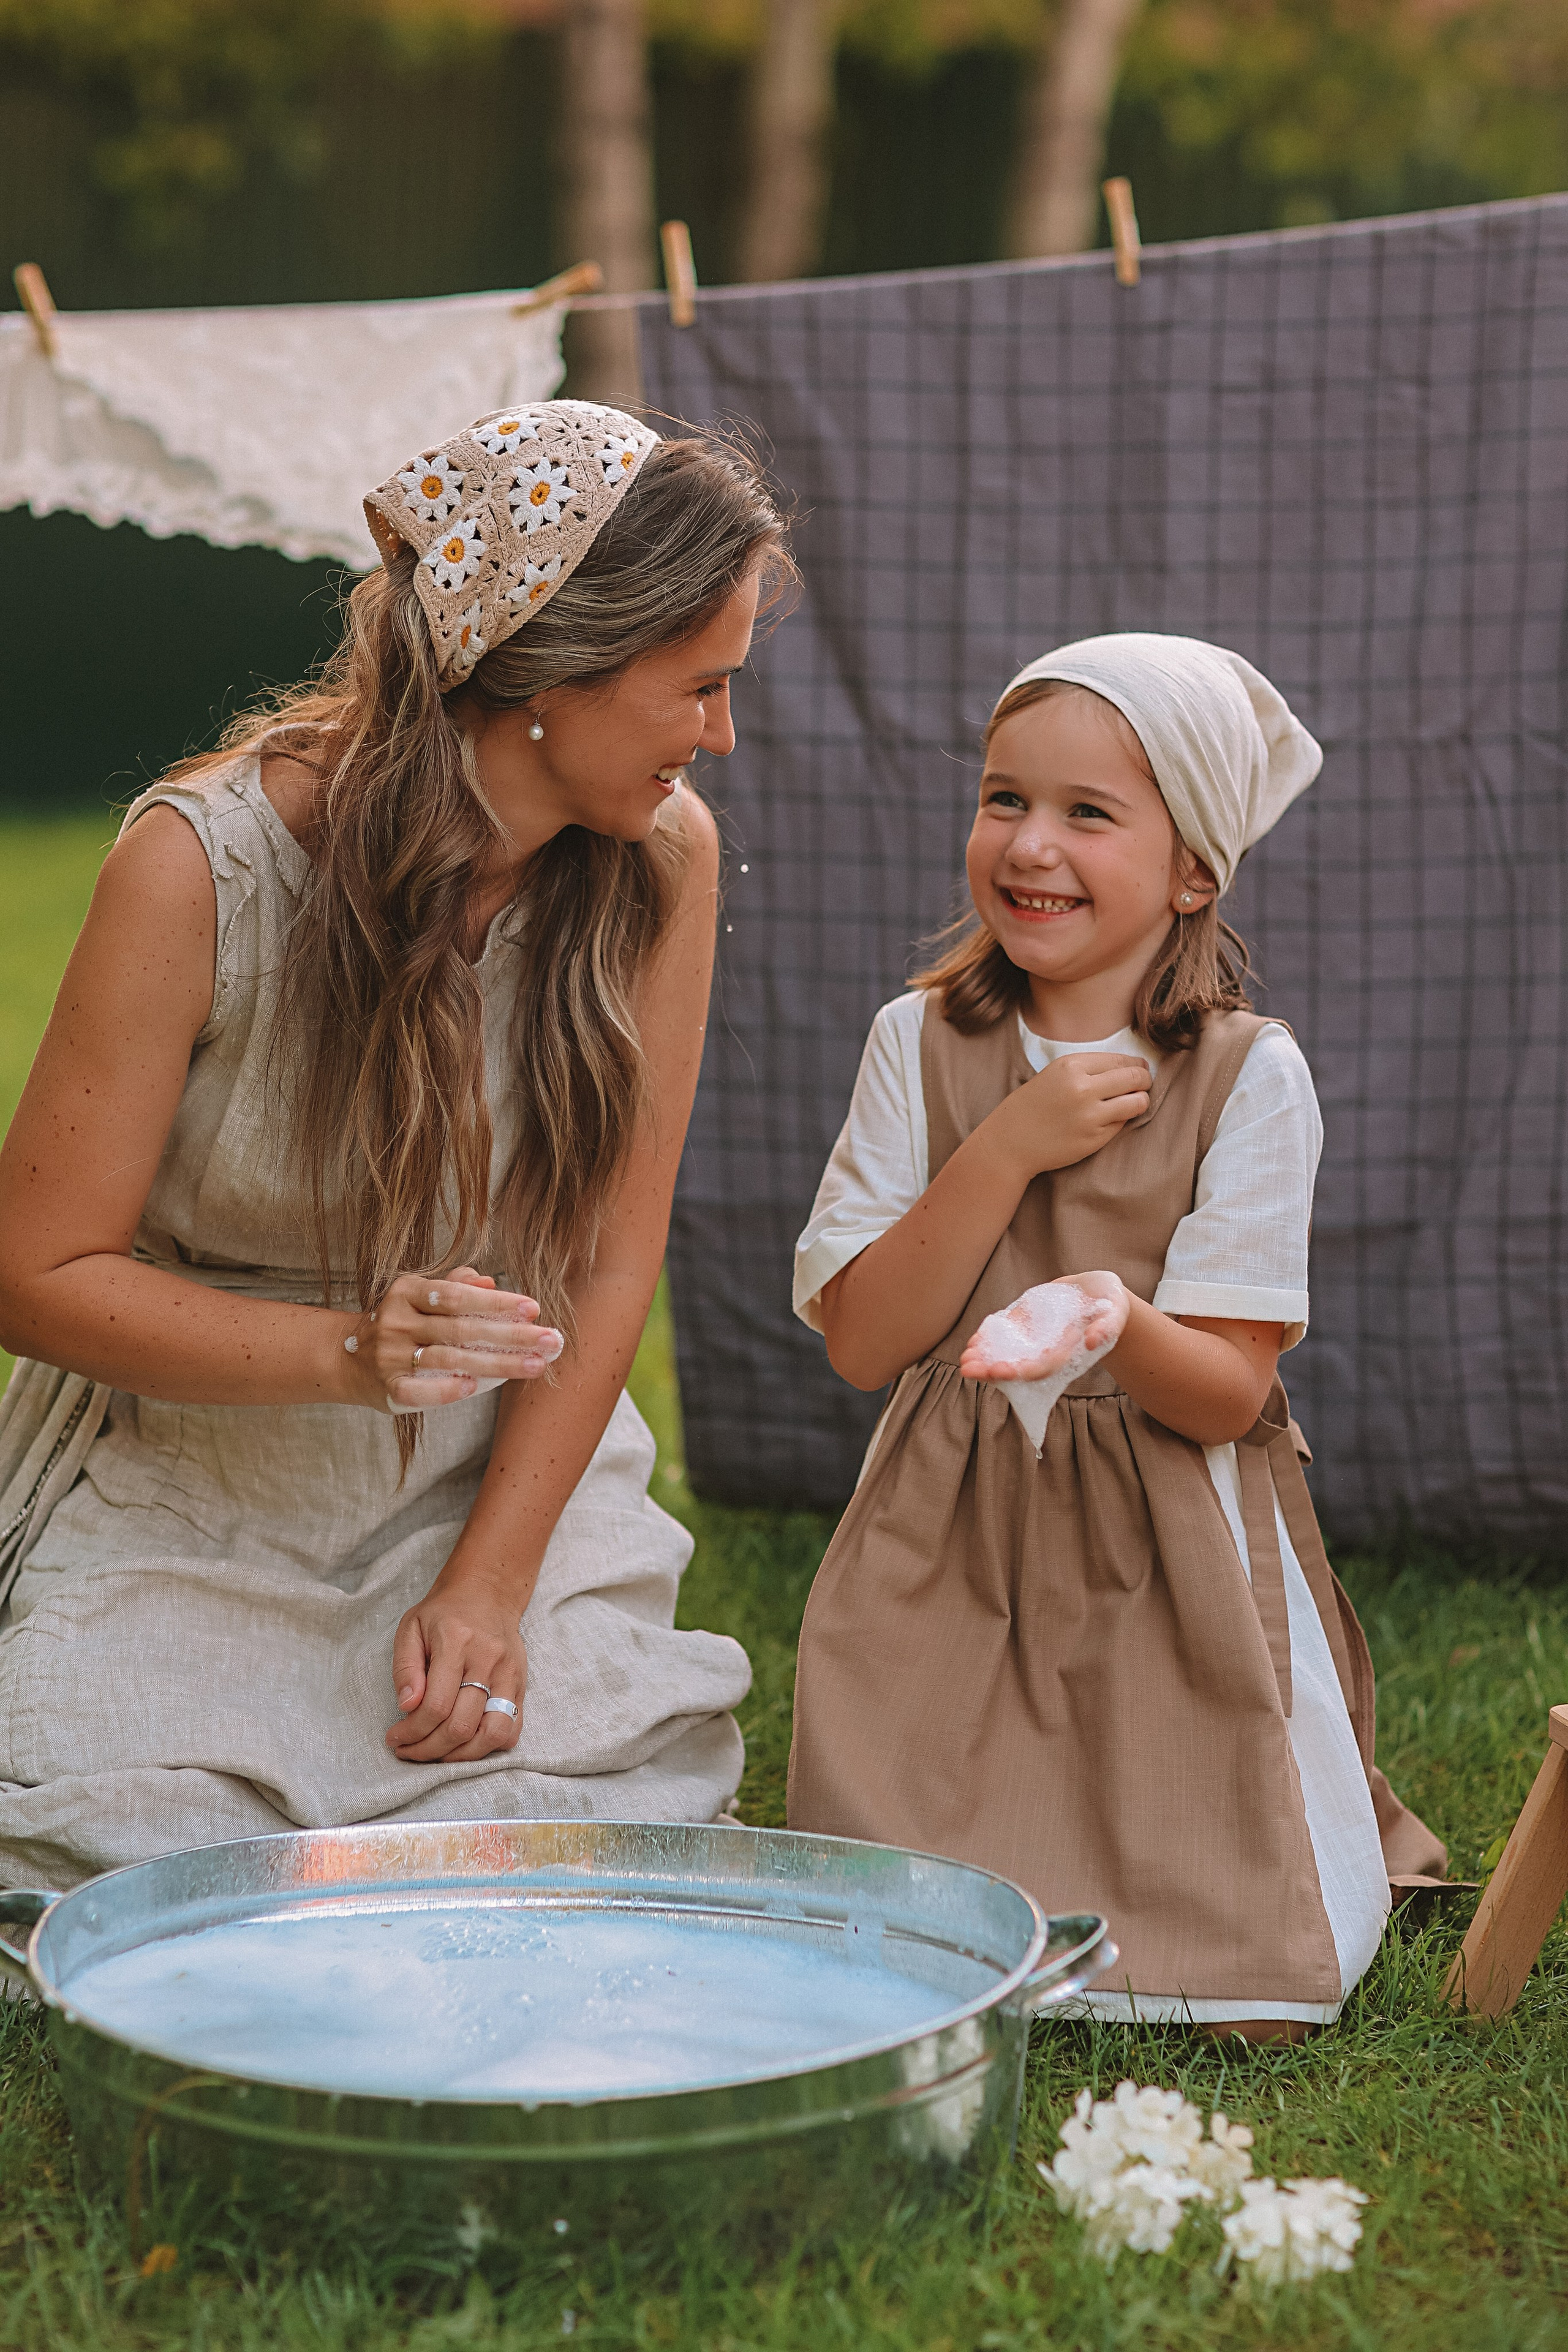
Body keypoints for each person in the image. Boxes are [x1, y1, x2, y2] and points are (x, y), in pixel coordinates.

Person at [0, 400, 793, 1891]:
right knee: (128, 1847)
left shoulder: (659, 861)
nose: (720, 737)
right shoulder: (198, 869)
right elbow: (33, 1273)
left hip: (494, 1470)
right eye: (700, 688)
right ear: (554, 667)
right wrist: (351, 1357)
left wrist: (489, 1584)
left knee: (614, 1818)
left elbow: (614, 1259)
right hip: (201, 1468)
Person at [786, 633, 1445, 2037]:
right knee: (895, 1938)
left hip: (1166, 1544)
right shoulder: (918, 1045)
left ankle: (1205, 1918)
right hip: (946, 1535)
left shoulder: (1242, 1076)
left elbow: (1217, 1397)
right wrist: (1005, 1151)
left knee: (1238, 1975)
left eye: (1088, 814)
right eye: (1002, 797)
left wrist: (1109, 1317)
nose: (1029, 845)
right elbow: (862, 1342)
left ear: (1191, 868)